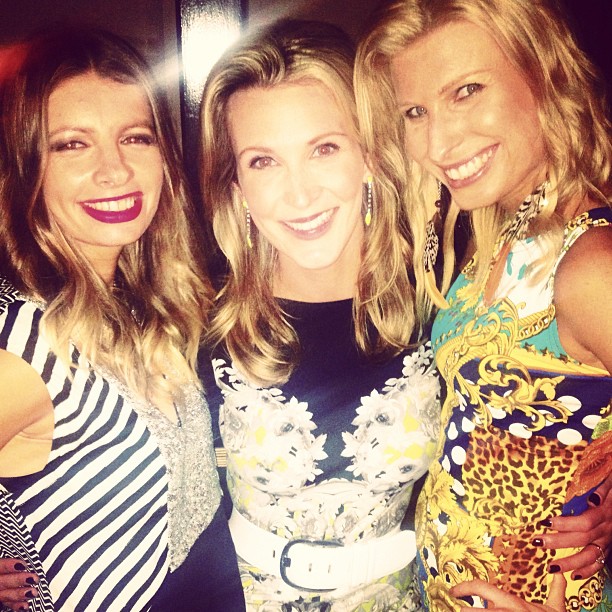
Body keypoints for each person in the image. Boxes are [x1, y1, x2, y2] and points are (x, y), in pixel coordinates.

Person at [355, 0, 612, 610]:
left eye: (467, 91)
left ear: (543, 75)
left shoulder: (591, 265)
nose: (437, 143)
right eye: (415, 112)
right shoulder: (502, 226)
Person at [198, 19, 441, 611]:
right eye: (263, 161)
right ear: (236, 186)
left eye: (324, 149)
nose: (300, 195)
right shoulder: (198, 327)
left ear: (369, 156)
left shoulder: (441, 306)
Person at [0, 27, 244, 612]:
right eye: (71, 145)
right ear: (27, 167)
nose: (115, 170)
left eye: (135, 137)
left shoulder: (143, 298)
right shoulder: (23, 345)